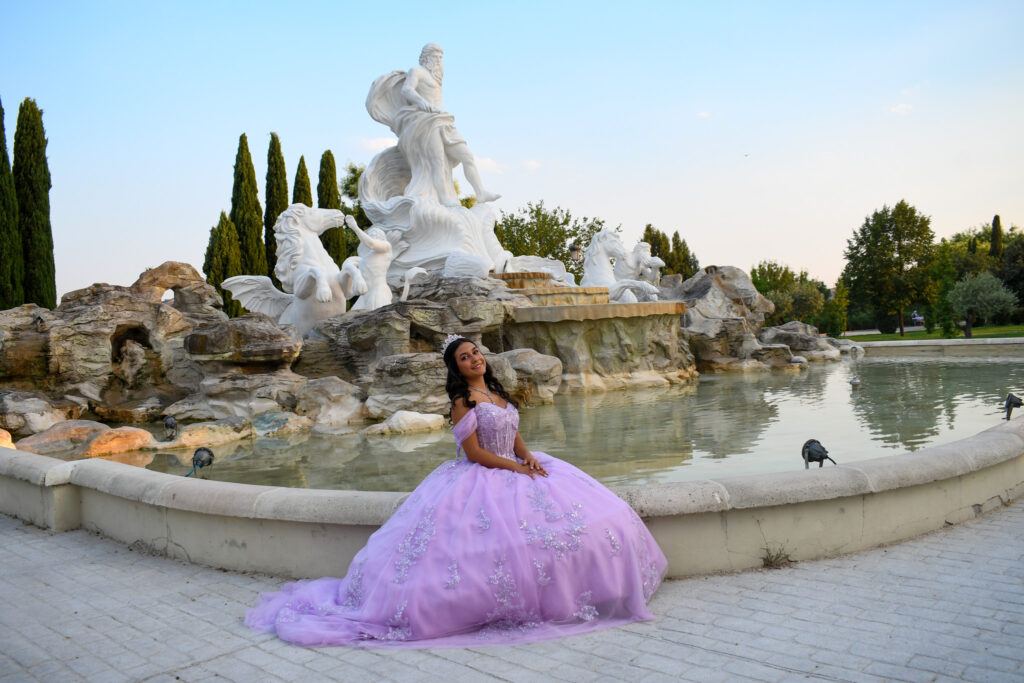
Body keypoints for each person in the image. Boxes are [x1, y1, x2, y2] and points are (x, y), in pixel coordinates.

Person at [245, 335, 667, 648]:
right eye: (465, 358)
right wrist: (515, 468)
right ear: (458, 368)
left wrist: (530, 459)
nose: (474, 359)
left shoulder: (497, 392)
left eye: (476, 353)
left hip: (516, 463)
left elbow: (514, 432)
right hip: (483, 474)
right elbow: (476, 452)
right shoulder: (462, 401)